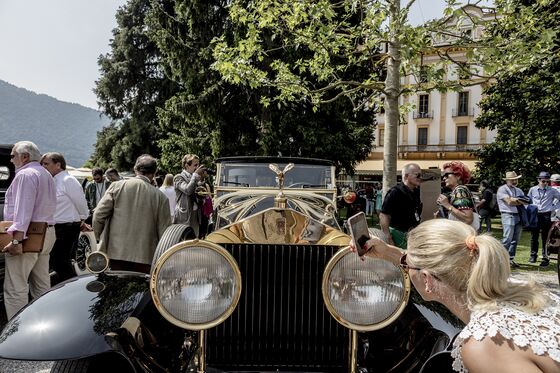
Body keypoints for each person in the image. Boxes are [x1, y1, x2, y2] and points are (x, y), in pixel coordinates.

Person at [352, 219, 560, 373]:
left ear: (426, 280)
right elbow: (440, 264)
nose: (405, 267)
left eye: (407, 265)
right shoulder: (519, 288)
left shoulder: (485, 344)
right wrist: (391, 253)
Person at [2, 141, 56, 319]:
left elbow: (23, 212)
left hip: (28, 236)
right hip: (47, 232)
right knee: (41, 284)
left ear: (24, 157)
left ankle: (17, 333)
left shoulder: (25, 174)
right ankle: (44, 322)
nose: (11, 160)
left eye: (13, 156)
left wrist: (16, 241)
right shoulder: (46, 174)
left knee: (16, 287)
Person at [93, 155, 171, 273]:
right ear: (154, 173)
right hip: (146, 257)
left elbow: (98, 215)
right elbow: (164, 232)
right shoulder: (161, 197)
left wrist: (99, 237)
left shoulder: (117, 186)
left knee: (115, 289)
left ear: (135, 169)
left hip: (116, 252)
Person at [40, 152, 89, 284]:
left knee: (60, 261)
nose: (43, 167)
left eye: (46, 164)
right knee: (56, 262)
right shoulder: (54, 180)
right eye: (42, 164)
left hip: (67, 227)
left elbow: (81, 203)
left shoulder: (68, 180)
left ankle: (73, 287)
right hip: (58, 226)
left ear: (58, 165)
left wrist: (82, 219)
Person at [379, 163, 423, 249]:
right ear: (406, 176)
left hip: (412, 235)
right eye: (417, 175)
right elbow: (384, 215)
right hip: (398, 234)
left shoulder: (416, 192)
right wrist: (388, 236)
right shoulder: (395, 192)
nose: (420, 178)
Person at [527, 171, 560, 267]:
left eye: (547, 181)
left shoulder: (552, 190)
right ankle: (533, 256)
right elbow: (528, 201)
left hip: (546, 215)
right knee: (534, 237)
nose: (545, 183)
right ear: (538, 180)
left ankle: (545, 257)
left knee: (545, 238)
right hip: (535, 214)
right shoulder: (532, 189)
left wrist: (554, 207)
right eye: (543, 181)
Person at [497, 171, 528, 268]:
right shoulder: (502, 189)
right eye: (512, 180)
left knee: (515, 239)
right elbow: (509, 202)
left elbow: (527, 201)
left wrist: (516, 200)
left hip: (518, 214)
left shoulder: (518, 190)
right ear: (507, 180)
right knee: (507, 239)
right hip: (508, 214)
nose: (515, 181)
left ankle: (510, 259)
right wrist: (519, 201)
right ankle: (500, 259)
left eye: (516, 179)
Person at [435, 161, 479, 231]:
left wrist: (447, 205)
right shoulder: (456, 191)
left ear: (458, 176)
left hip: (464, 235)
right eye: (443, 176)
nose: (444, 178)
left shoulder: (460, 190)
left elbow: (468, 219)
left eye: (446, 175)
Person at [173, 154, 205, 237]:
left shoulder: (194, 178)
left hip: (195, 215)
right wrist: (195, 176)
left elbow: (199, 194)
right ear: (187, 165)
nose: (197, 168)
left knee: (194, 241)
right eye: (195, 165)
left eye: (198, 165)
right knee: (184, 241)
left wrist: (201, 181)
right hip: (184, 216)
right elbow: (188, 190)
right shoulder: (178, 177)